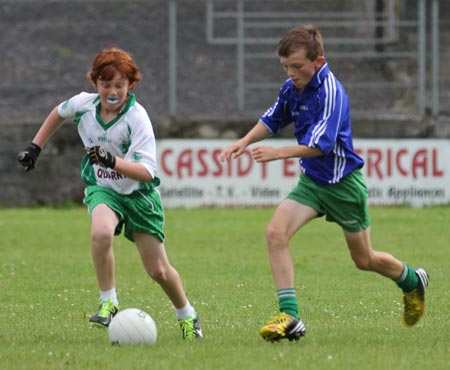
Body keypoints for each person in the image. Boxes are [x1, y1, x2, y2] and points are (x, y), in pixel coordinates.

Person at [219, 25, 428, 342]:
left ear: (318, 61)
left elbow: (322, 145)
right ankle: (289, 317)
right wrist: (245, 141)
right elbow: (273, 118)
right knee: (275, 232)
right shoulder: (293, 87)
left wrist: (278, 154)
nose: (291, 73)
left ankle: (412, 280)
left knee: (364, 260)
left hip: (344, 187)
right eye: (286, 67)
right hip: (313, 184)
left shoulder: (331, 92)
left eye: (297, 66)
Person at [18, 48, 203, 340]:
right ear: (95, 83)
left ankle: (187, 315)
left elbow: (147, 172)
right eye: (106, 85)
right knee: (101, 232)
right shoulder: (84, 105)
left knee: (158, 270)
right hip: (103, 189)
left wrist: (112, 160)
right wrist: (35, 146)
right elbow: (58, 112)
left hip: (139, 196)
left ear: (131, 85)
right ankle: (108, 302)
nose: (113, 91)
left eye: (120, 84)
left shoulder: (137, 119)